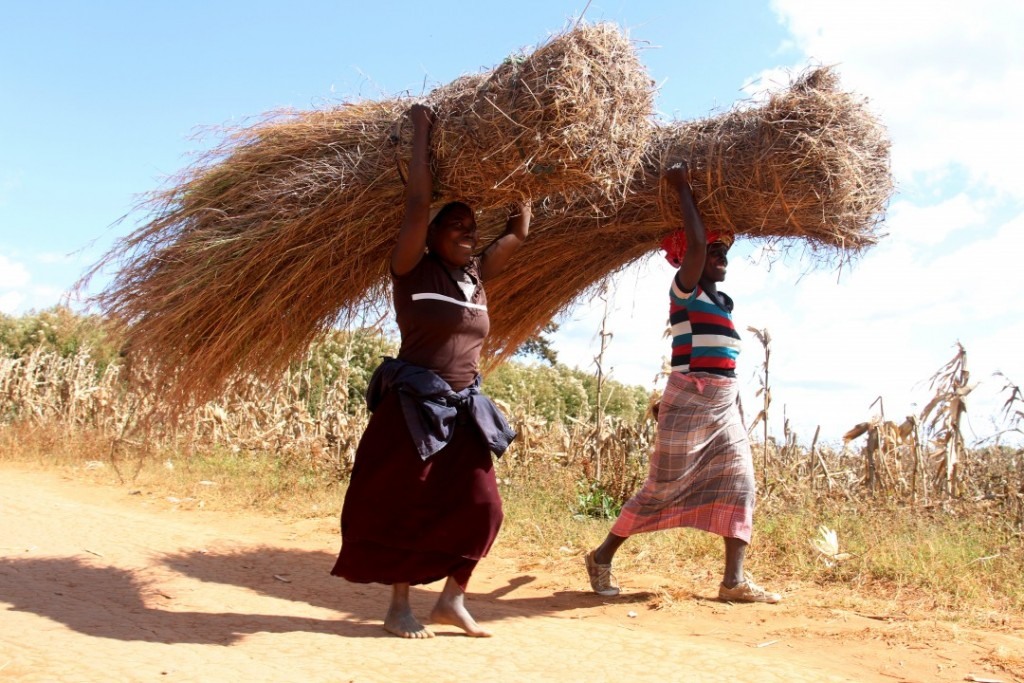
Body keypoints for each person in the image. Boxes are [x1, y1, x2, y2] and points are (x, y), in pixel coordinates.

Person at [330, 103, 532, 638]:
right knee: (408, 504)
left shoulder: (477, 276)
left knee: (484, 507)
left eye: (472, 226)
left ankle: (452, 600)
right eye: (455, 225)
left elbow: (518, 231)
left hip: (464, 409)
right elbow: (418, 200)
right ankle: (399, 605)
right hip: (414, 408)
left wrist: (526, 164)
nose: (467, 232)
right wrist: (422, 131)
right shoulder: (411, 269)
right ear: (433, 234)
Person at [583, 161, 780, 604]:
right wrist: (682, 187)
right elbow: (694, 242)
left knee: (740, 481)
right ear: (686, 259)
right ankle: (601, 557)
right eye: (714, 252)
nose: (721, 258)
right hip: (691, 397)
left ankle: (733, 581)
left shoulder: (721, 301)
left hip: (724, 402)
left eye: (723, 252)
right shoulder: (684, 291)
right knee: (662, 487)